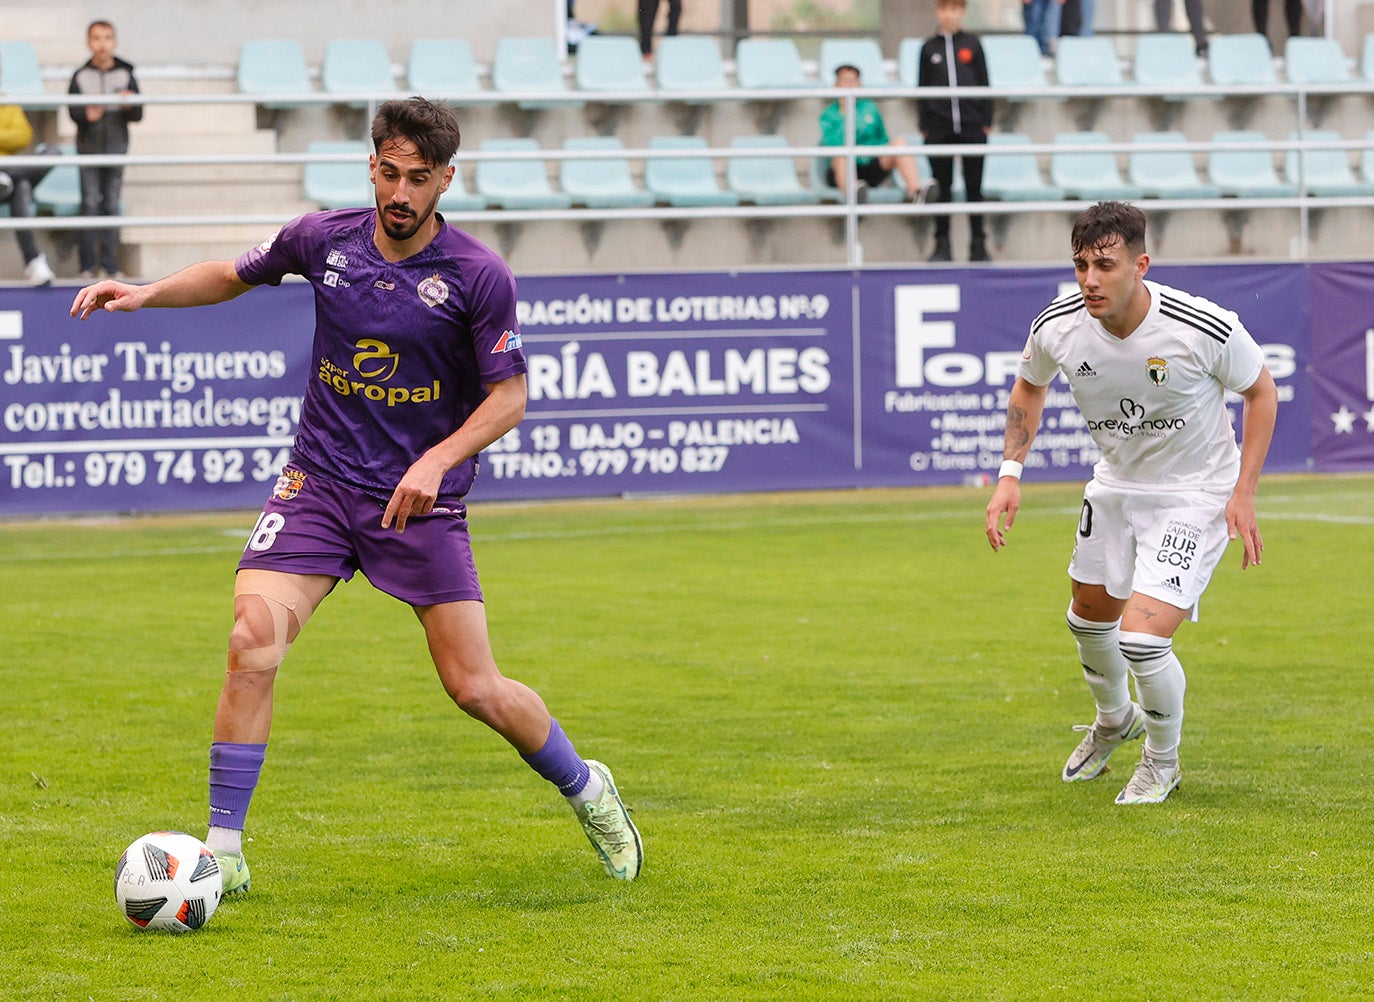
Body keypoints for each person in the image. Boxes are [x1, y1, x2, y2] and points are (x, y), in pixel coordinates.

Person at [70, 97, 643, 890]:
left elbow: (508, 398)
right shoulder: (323, 238)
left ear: (447, 179)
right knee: (251, 641)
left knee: (473, 687)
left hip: (417, 504)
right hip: (319, 484)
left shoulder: (478, 276)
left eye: (418, 178)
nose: (399, 193)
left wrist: (435, 460)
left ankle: (588, 788)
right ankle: (224, 857)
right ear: (370, 165)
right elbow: (232, 274)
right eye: (388, 172)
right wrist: (145, 291)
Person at [984, 201, 1277, 805]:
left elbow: (1261, 391)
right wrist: (1009, 473)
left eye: (1106, 265)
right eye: (1081, 265)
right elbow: (1029, 385)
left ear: (1140, 265)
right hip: (1115, 485)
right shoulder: (1058, 325)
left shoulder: (1204, 326)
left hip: (1194, 493)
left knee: (1142, 640)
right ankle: (1115, 719)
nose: (1090, 279)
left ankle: (1162, 763)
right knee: (1088, 620)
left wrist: (1243, 492)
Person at [916, 0, 993, 263]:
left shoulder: (973, 44)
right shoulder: (928, 48)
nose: (949, 15)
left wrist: (986, 121)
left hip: (972, 127)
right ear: (937, 12)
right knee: (942, 189)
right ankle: (942, 245)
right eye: (944, 9)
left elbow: (984, 83)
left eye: (954, 9)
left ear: (962, 12)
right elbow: (921, 90)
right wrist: (925, 126)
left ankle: (979, 245)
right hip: (938, 130)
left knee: (974, 188)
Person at [68, 19, 142, 279]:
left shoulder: (126, 73)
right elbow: (72, 110)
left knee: (111, 203)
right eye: (97, 38)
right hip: (88, 148)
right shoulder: (80, 75)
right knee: (89, 203)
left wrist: (128, 106)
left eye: (107, 38)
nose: (102, 44)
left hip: (116, 147)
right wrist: (86, 115)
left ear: (115, 42)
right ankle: (86, 265)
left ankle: (110, 265)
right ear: (89, 42)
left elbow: (139, 113)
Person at [819, 64, 927, 204]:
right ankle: (853, 194)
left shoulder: (870, 108)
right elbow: (833, 144)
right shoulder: (829, 114)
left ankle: (917, 193)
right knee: (841, 155)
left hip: (869, 164)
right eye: (845, 81)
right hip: (843, 168)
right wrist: (846, 111)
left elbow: (882, 138)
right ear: (836, 84)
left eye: (853, 81)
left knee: (899, 143)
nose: (849, 85)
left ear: (859, 84)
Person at [0, 102, 56, 285]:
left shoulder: (8, 105)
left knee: (52, 153)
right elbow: (14, 137)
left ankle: (6, 178)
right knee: (22, 185)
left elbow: (24, 136)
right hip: (13, 174)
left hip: (8, 174)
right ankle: (33, 261)